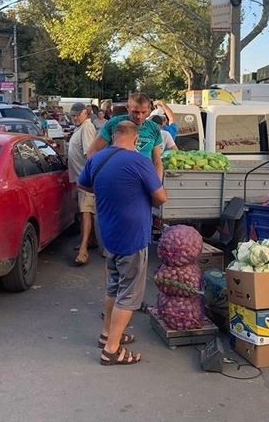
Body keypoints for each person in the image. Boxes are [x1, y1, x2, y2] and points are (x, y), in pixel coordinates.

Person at [78, 121, 167, 366]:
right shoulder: (139, 161)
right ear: (136, 139)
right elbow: (160, 197)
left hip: (109, 233)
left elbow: (82, 183)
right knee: (128, 294)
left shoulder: (96, 159)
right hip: (132, 235)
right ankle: (111, 350)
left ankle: (107, 334)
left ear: (113, 137)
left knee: (114, 287)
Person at [87, 92, 163, 179]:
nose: (139, 116)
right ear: (128, 107)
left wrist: (157, 184)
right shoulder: (114, 123)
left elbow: (157, 162)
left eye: (144, 112)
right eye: (135, 112)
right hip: (117, 180)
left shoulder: (153, 128)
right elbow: (92, 151)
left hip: (144, 181)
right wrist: (98, 177)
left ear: (150, 109)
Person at [68, 102, 98, 266]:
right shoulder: (80, 127)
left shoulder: (86, 127)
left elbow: (90, 155)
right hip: (80, 178)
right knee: (84, 211)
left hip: (85, 178)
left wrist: (87, 178)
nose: (74, 117)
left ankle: (84, 250)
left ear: (85, 113)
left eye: (76, 115)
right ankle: (90, 240)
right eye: (72, 115)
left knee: (86, 212)